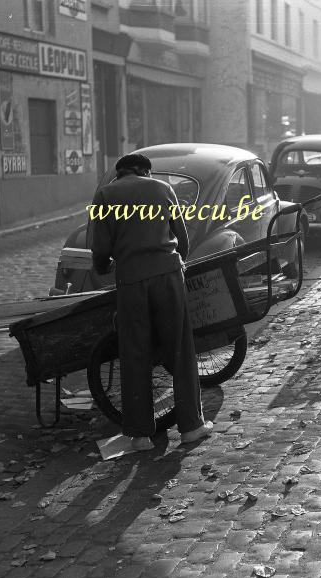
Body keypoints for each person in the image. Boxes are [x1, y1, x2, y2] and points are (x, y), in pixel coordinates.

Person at [90, 153, 213, 451]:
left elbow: (100, 249)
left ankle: (140, 434)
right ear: (146, 172)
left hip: (131, 281)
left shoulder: (105, 195)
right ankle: (191, 427)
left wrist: (105, 265)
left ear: (119, 174)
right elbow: (182, 241)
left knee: (134, 353)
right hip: (168, 277)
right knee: (180, 349)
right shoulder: (162, 189)